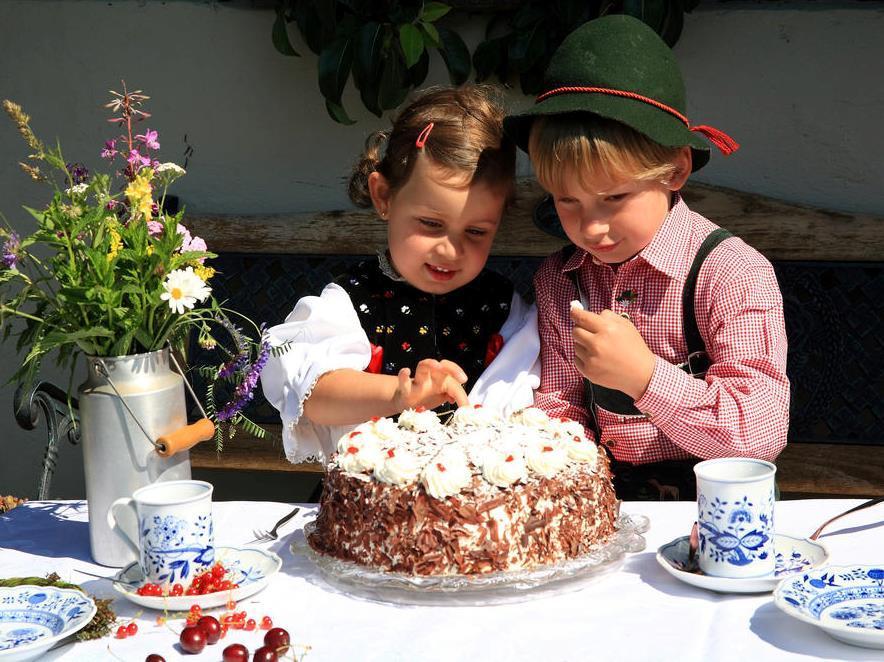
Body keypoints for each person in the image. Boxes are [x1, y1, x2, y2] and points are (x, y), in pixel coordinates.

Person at [503, 15, 790, 500]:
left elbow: (756, 437)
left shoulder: (731, 275)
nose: (591, 227)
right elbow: (558, 403)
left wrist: (644, 376)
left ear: (675, 170)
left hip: (717, 507)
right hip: (605, 497)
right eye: (566, 201)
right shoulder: (561, 280)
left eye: (614, 198)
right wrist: (575, 469)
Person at [261, 85, 539, 464]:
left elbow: (521, 399)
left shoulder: (505, 309)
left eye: (476, 232)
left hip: (479, 506)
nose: (450, 250)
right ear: (384, 197)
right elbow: (313, 395)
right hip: (372, 504)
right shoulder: (351, 301)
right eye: (430, 223)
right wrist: (399, 395)